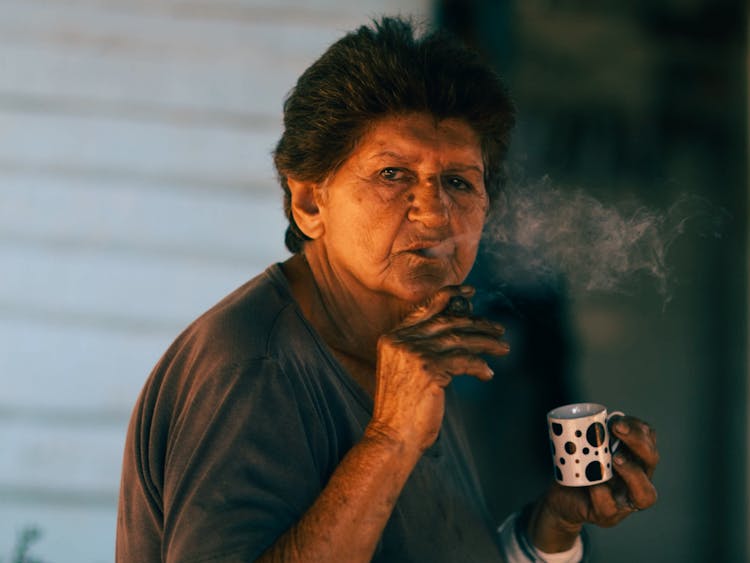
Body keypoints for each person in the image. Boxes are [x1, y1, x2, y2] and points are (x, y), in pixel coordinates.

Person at [116, 17, 658, 562]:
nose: (435, 211)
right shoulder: (253, 368)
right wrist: (391, 438)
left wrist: (551, 530)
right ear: (309, 203)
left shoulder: (408, 352)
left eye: (458, 182)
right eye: (393, 174)